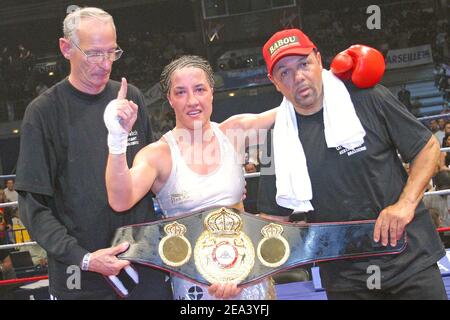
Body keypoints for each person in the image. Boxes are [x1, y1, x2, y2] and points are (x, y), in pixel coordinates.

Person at [259, 28, 446, 299]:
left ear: (318, 60)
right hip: (345, 278)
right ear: (273, 82)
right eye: (284, 73)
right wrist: (239, 269)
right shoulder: (276, 141)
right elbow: (274, 220)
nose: (297, 78)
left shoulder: (367, 97)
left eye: (303, 64)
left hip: (410, 260)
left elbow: (427, 147)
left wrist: (405, 204)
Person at [14, 7, 171, 300]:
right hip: (81, 275)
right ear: (65, 48)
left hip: (142, 265)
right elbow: (33, 205)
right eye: (94, 53)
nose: (105, 63)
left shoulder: (131, 98)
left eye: (112, 52)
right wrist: (83, 257)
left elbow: (150, 178)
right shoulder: (44, 112)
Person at [104, 55, 278, 300]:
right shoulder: (158, 155)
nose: (192, 101)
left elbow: (292, 110)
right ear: (170, 99)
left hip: (246, 272)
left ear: (211, 92)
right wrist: (117, 139)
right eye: (181, 92)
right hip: (195, 281)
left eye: (199, 89)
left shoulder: (233, 133)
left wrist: (330, 78)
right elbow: (120, 200)